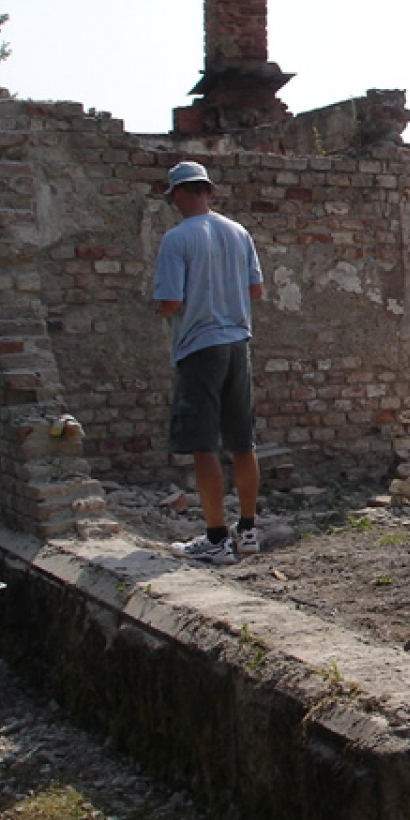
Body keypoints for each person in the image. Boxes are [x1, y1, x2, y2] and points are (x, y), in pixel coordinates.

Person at [153, 161, 264, 565]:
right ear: (208, 192)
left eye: (174, 197)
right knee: (242, 442)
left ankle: (216, 538)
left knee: (204, 445)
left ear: (180, 193)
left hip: (200, 347)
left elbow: (170, 302)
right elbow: (256, 289)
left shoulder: (177, 239)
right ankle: (248, 531)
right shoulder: (239, 232)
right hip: (238, 342)